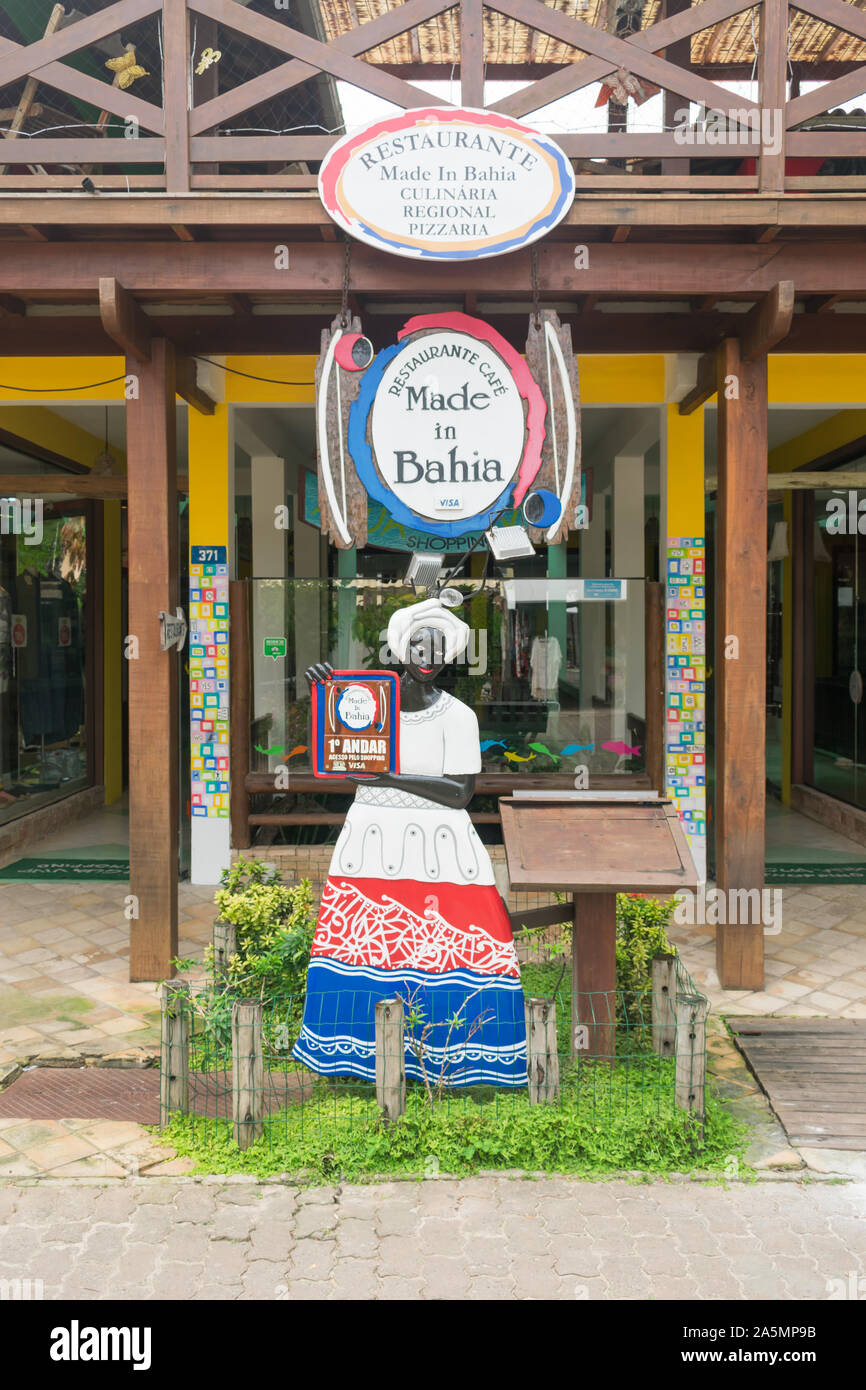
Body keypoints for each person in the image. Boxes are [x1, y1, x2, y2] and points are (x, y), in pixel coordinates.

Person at [293, 595, 527, 1088]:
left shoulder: (459, 716)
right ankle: (358, 1055)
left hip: (441, 848)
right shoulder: (367, 705)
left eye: (438, 647)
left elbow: (460, 793)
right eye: (419, 645)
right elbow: (343, 762)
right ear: (401, 649)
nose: (428, 655)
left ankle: (458, 1056)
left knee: (449, 944)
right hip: (372, 841)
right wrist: (324, 698)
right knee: (370, 945)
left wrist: (390, 777)